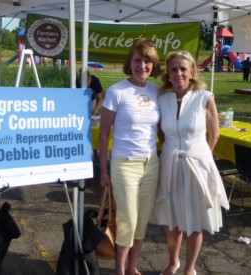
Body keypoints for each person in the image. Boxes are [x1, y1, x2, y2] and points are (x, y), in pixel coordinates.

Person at [150, 51, 230, 275]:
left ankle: (189, 268)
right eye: (174, 69)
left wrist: (199, 155)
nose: (179, 73)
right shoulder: (162, 99)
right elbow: (161, 133)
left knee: (195, 220)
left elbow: (214, 135)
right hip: (170, 163)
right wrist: (173, 151)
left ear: (192, 71)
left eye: (183, 69)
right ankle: (173, 262)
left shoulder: (204, 97)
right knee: (172, 219)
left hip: (198, 165)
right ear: (168, 73)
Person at [98, 38, 162, 275]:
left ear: (153, 65)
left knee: (142, 220)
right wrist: (103, 170)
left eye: (147, 61)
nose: (142, 66)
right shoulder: (117, 91)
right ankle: (120, 270)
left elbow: (162, 128)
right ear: (130, 62)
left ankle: (133, 267)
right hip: (124, 163)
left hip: (151, 163)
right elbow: (103, 134)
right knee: (127, 219)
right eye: (138, 60)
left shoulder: (157, 91)